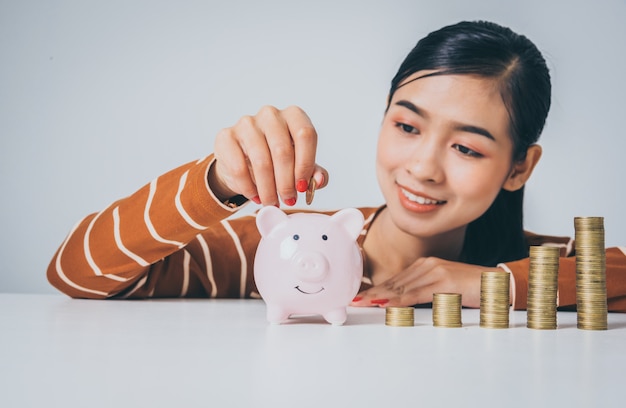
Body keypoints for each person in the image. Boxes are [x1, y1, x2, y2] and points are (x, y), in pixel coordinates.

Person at [47, 20, 626, 311]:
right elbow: (73, 273)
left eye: (467, 148)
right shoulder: (277, 251)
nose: (423, 167)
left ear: (520, 168)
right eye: (406, 126)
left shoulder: (543, 268)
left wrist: (486, 286)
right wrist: (218, 182)